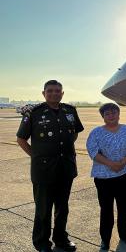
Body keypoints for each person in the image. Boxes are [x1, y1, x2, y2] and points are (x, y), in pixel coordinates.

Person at [16, 80, 84, 252]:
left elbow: (74, 133)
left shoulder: (70, 111)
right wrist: (36, 156)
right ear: (43, 93)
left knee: (62, 208)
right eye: (50, 91)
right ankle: (42, 243)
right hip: (43, 171)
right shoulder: (33, 113)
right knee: (43, 209)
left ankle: (61, 239)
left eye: (57, 91)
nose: (54, 93)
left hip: (66, 168)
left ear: (62, 93)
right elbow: (21, 139)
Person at [86, 103, 126, 251]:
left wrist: (123, 162)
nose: (111, 116)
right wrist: (111, 164)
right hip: (104, 178)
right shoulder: (96, 133)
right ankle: (105, 239)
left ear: (118, 114)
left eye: (113, 112)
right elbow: (93, 152)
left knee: (123, 206)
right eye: (107, 113)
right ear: (103, 117)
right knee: (106, 209)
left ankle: (124, 235)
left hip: (124, 174)